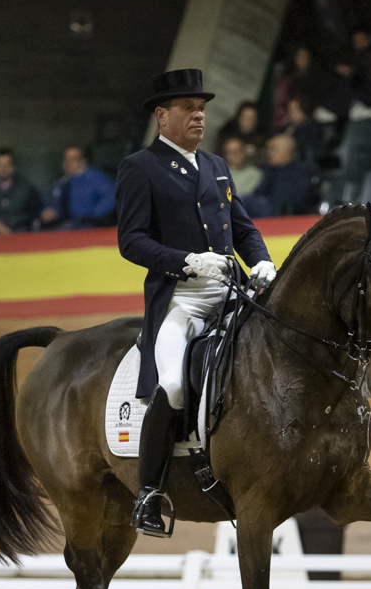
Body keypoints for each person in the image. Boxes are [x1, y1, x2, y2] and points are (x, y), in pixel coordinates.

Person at [115, 69, 274, 537]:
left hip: (229, 292)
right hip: (180, 299)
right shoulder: (139, 168)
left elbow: (242, 228)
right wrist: (187, 261)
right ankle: (148, 493)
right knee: (174, 385)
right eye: (187, 108)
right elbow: (131, 241)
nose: (198, 115)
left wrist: (262, 262)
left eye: (201, 107)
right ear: (162, 116)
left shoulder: (217, 166)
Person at [41, 146, 116, 230]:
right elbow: (48, 200)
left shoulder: (96, 179)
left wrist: (92, 216)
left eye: (73, 159)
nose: (68, 163)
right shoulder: (61, 182)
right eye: (66, 160)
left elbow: (110, 198)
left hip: (89, 228)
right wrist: (47, 209)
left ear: (83, 161)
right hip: (62, 228)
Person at [247, 133, 320, 217]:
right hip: (265, 211)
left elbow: (298, 199)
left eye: (273, 149)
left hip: (287, 214)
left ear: (286, 151)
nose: (269, 153)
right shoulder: (270, 170)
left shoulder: (302, 171)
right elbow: (258, 193)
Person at [280, 95, 324, 163]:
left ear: (303, 110)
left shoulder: (312, 129)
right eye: (289, 110)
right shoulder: (287, 127)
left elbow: (309, 152)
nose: (290, 114)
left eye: (293, 110)